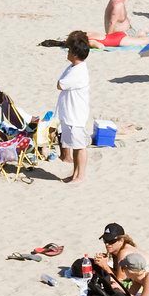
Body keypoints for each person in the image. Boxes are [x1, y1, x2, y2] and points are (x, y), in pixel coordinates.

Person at [56, 31, 92, 183]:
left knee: (80, 146)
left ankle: (80, 175)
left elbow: (60, 84)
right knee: (75, 145)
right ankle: (75, 174)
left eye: (70, 50)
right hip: (70, 114)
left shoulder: (79, 71)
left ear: (76, 53)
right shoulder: (73, 67)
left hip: (75, 115)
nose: (68, 52)